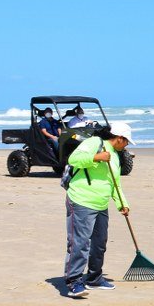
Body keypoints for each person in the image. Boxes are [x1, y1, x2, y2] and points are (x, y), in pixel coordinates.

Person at [63, 122, 134, 297]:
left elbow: (115, 183)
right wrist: (96, 157)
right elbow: (73, 159)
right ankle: (74, 281)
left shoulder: (115, 156)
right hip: (81, 200)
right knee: (80, 242)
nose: (127, 145)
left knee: (99, 244)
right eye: (126, 142)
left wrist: (122, 204)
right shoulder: (95, 142)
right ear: (119, 138)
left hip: (101, 204)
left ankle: (94, 279)